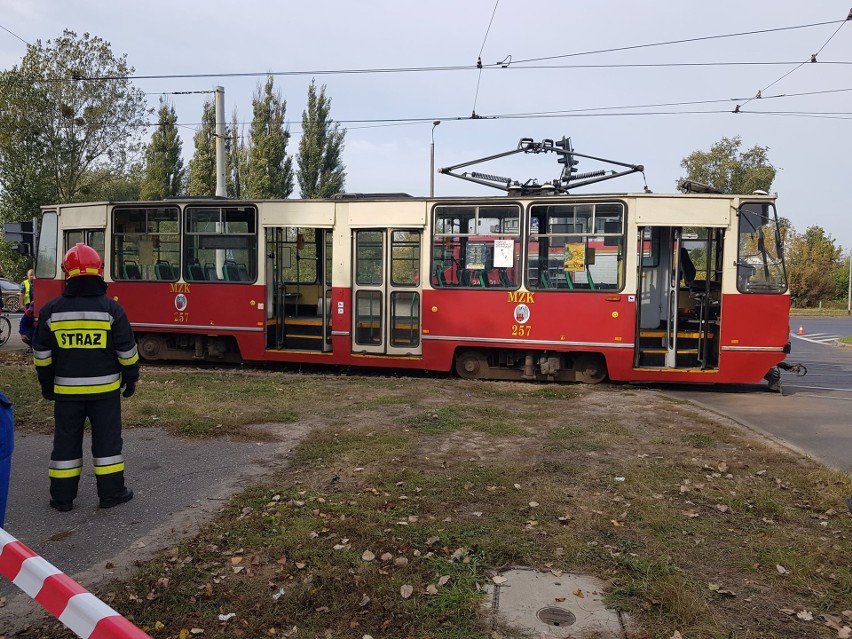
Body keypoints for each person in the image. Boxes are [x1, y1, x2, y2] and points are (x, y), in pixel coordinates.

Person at [32, 244, 139, 512]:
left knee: (65, 443)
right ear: (99, 271)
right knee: (108, 444)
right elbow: (127, 351)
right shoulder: (112, 310)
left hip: (66, 394)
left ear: (66, 273)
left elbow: (42, 355)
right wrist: (131, 379)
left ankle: (62, 499)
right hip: (105, 393)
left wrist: (47, 385)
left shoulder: (51, 310)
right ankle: (111, 494)